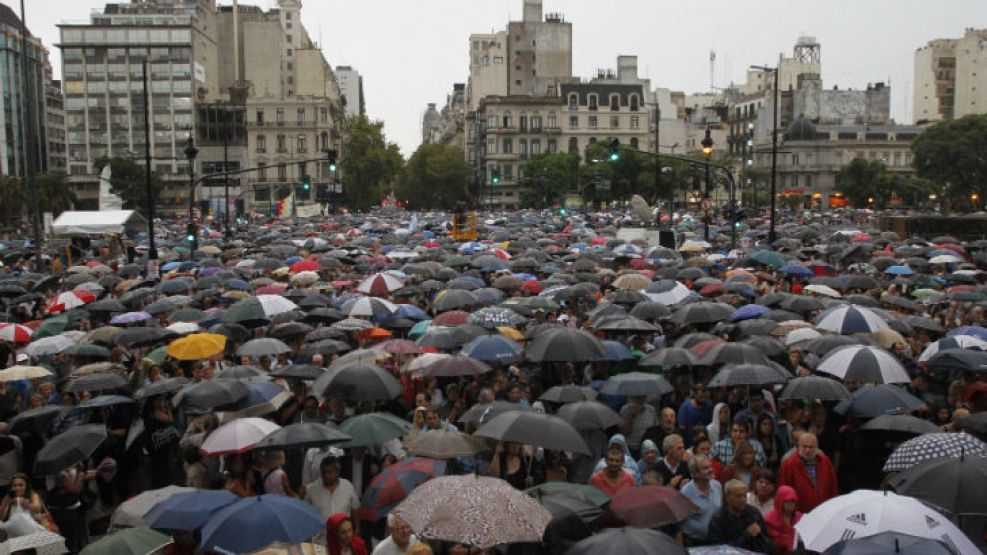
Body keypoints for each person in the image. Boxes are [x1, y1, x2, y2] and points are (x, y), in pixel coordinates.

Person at [708, 479, 776, 554]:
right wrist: (747, 535)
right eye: (738, 496)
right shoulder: (718, 518)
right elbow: (719, 550)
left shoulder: (753, 513)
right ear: (727, 497)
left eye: (744, 495)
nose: (743, 499)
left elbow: (765, 540)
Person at [776, 432, 838, 513]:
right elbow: (783, 491)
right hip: (798, 514)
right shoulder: (789, 464)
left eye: (811, 447)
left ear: (817, 447)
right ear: (798, 446)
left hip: (823, 511)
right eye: (804, 446)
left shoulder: (825, 461)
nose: (807, 450)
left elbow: (833, 487)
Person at [306, 457, 361, 529]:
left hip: (343, 536)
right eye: (324, 472)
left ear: (337, 472)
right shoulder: (311, 489)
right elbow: (306, 513)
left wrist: (357, 529)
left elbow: (355, 509)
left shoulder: (348, 486)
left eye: (330, 472)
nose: (326, 475)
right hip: (321, 536)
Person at [679, 455, 722, 545]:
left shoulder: (717, 486)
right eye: (705, 468)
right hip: (693, 543)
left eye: (710, 466)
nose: (710, 470)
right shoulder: (686, 492)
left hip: (715, 541)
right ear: (696, 473)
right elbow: (678, 522)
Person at [764, 485, 802, 554]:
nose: (791, 504)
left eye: (793, 501)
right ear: (780, 501)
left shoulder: (800, 518)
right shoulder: (768, 520)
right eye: (788, 501)